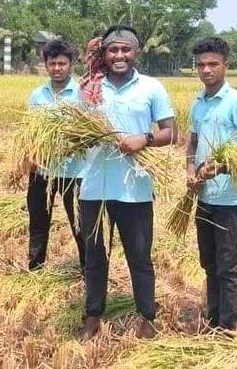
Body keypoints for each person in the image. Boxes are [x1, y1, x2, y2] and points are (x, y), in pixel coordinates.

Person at [78, 24, 177, 340]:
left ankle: (147, 316)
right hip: (94, 185)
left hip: (135, 187)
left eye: (125, 49)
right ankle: (93, 314)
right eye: (113, 50)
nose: (119, 55)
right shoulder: (91, 88)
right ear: (104, 54)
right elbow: (76, 131)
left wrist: (144, 139)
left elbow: (170, 131)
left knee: (139, 256)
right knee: (93, 256)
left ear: (136, 52)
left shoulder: (151, 88)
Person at [185, 36, 237, 331]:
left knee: (227, 268)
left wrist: (222, 166)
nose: (206, 70)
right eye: (201, 65)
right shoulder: (198, 103)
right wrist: (190, 170)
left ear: (225, 65)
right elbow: (191, 142)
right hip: (204, 198)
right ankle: (212, 320)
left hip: (229, 201)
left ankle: (226, 329)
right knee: (209, 264)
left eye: (213, 64)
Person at [26, 39, 85, 271]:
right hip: (42, 170)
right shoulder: (37, 95)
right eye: (52, 64)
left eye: (62, 63)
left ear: (71, 64)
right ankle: (35, 267)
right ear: (46, 65)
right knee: (38, 221)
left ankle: (87, 270)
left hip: (75, 171)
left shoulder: (82, 93)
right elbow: (29, 132)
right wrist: (30, 156)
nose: (57, 68)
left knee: (80, 223)